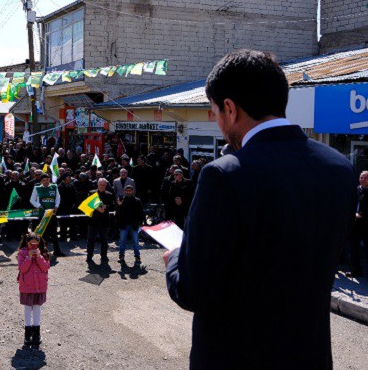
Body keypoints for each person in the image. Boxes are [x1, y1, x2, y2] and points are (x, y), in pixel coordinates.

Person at [163, 50, 356, 369]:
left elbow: (193, 291)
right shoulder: (338, 167)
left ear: (229, 108)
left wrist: (174, 261)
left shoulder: (224, 176)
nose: (219, 124)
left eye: (215, 112)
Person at [17, 232, 50, 348]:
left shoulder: (44, 253)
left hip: (39, 287)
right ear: (27, 243)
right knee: (27, 308)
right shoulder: (22, 253)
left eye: (37, 244)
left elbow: (46, 267)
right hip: (27, 286)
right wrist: (29, 257)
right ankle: (27, 333)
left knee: (37, 308)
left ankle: (36, 333)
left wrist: (40, 257)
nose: (34, 247)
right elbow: (22, 269)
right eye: (32, 244)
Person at [29, 174, 64, 257]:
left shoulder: (54, 187)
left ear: (49, 179)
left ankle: (57, 251)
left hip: (52, 214)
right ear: (41, 181)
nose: (46, 182)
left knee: (54, 234)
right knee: (43, 234)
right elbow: (32, 200)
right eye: (44, 180)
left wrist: (56, 206)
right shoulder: (37, 188)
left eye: (47, 180)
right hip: (42, 215)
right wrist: (39, 206)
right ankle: (42, 251)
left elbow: (58, 198)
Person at [86, 178, 115, 263]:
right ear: (97, 184)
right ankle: (89, 256)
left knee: (104, 240)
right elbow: (88, 204)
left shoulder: (109, 194)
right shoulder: (92, 193)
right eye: (100, 184)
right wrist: (97, 208)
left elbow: (112, 206)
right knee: (91, 240)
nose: (102, 186)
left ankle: (104, 256)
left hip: (104, 221)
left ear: (106, 185)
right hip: (93, 221)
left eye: (103, 185)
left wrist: (106, 207)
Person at [115, 185, 144, 264]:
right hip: (123, 224)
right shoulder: (121, 200)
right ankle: (121, 256)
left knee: (135, 241)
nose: (128, 192)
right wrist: (119, 205)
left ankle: (137, 257)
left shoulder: (137, 200)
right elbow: (117, 213)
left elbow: (141, 212)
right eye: (127, 190)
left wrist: (141, 223)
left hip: (134, 224)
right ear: (124, 191)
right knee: (122, 241)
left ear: (132, 191)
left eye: (130, 190)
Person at [348, 170, 368, 277]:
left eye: (365, 178)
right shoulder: (356, 190)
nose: (362, 180)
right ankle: (355, 270)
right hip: (355, 223)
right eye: (361, 177)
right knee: (353, 247)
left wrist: (361, 214)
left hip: (365, 223)